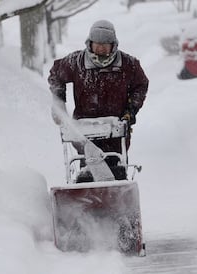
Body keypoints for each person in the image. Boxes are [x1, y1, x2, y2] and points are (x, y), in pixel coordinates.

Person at [48, 19, 149, 179]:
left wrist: (131, 110)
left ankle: (118, 198)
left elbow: (141, 85)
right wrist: (59, 102)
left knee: (116, 169)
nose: (100, 48)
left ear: (113, 45)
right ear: (90, 43)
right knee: (87, 172)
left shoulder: (128, 64)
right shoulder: (77, 62)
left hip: (116, 129)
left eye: (105, 44)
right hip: (84, 131)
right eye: (97, 44)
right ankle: (85, 197)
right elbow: (55, 75)